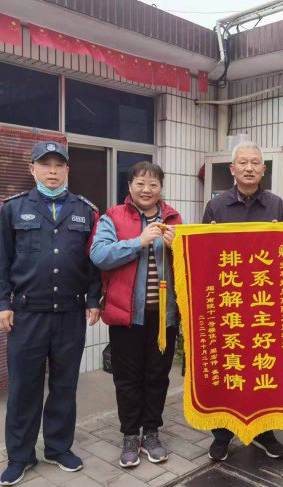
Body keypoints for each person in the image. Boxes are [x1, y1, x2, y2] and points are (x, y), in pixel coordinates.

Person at [0, 141, 101, 486]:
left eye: (58, 165)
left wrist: (94, 299)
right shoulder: (13, 208)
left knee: (65, 385)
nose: (52, 171)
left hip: (69, 313)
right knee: (24, 387)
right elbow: (0, 260)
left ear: (67, 170)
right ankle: (20, 456)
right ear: (32, 169)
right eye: (45, 164)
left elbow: (93, 262)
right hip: (27, 315)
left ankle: (58, 448)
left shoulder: (85, 210)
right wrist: (1, 304)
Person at [203, 140, 283, 461]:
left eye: (255, 163)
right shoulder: (216, 206)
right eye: (243, 162)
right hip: (228, 304)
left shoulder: (277, 206)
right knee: (230, 367)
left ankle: (264, 431)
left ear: (264, 170)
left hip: (263, 304)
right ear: (232, 169)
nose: (249, 168)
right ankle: (222, 434)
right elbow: (203, 255)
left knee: (263, 367)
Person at [90, 162, 181, 469]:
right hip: (126, 316)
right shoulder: (113, 216)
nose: (147, 190)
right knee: (128, 379)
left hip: (164, 318)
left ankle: (151, 433)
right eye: (140, 183)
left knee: (157, 377)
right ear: (129, 186)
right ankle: (130, 435)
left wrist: (178, 247)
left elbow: (191, 261)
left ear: (161, 188)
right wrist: (138, 242)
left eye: (153, 184)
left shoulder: (173, 218)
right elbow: (99, 255)